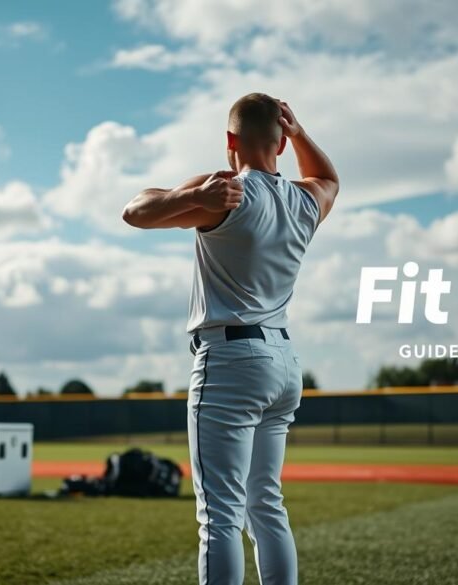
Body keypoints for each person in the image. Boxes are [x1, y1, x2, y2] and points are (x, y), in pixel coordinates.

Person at [122, 93, 338, 585]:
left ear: (229, 141)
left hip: (230, 361)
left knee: (219, 516)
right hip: (283, 361)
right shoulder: (306, 200)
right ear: (281, 145)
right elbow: (329, 178)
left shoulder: (224, 189)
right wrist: (301, 132)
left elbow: (134, 211)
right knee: (266, 506)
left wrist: (193, 199)